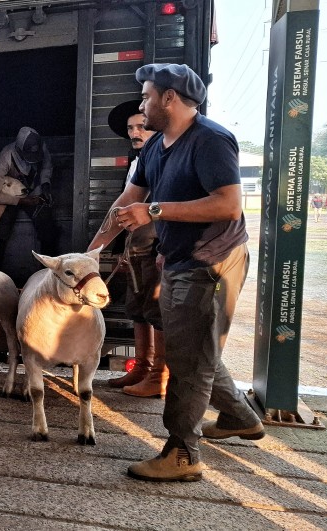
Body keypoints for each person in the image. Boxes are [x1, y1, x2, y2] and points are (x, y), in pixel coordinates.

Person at [111, 63, 264, 482]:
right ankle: (238, 417)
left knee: (189, 359)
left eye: (146, 97)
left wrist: (155, 212)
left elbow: (229, 205)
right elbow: (129, 200)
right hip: (179, 258)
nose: (142, 106)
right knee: (194, 347)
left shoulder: (211, 140)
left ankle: (183, 453)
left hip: (212, 260)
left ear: (168, 98)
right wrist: (89, 253)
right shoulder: (155, 146)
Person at [89, 100, 167, 398]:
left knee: (156, 307)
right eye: (130, 128)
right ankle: (142, 367)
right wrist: (114, 248)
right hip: (137, 244)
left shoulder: (164, 157)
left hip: (159, 245)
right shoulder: (139, 162)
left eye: (141, 126)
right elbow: (125, 207)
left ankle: (160, 374)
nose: (135, 133)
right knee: (136, 306)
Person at [0, 126, 56, 286]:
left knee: (48, 227)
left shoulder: (42, 149)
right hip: (12, 197)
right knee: (1, 229)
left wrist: (45, 184)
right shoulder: (6, 156)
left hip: (34, 193)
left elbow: (46, 166)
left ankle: (49, 276)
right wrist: (21, 201)